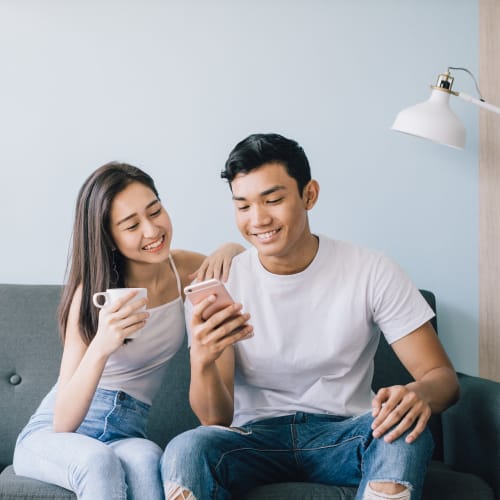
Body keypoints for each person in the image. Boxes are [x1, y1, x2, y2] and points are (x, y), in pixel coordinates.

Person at [160, 133, 460, 500]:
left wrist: (416, 395)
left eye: (273, 200)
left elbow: (443, 379)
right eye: (243, 206)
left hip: (347, 433)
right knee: (186, 449)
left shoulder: (371, 270)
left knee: (404, 432)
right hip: (253, 440)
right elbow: (214, 420)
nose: (258, 219)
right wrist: (203, 359)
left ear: (309, 195)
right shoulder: (223, 283)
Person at [13, 162, 245, 500]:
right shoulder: (91, 293)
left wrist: (229, 248)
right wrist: (102, 345)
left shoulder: (184, 269)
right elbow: (63, 422)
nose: (152, 231)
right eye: (132, 224)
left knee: (149, 458)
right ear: (108, 236)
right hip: (54, 435)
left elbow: (238, 260)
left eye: (155, 211)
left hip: (128, 430)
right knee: (97, 461)